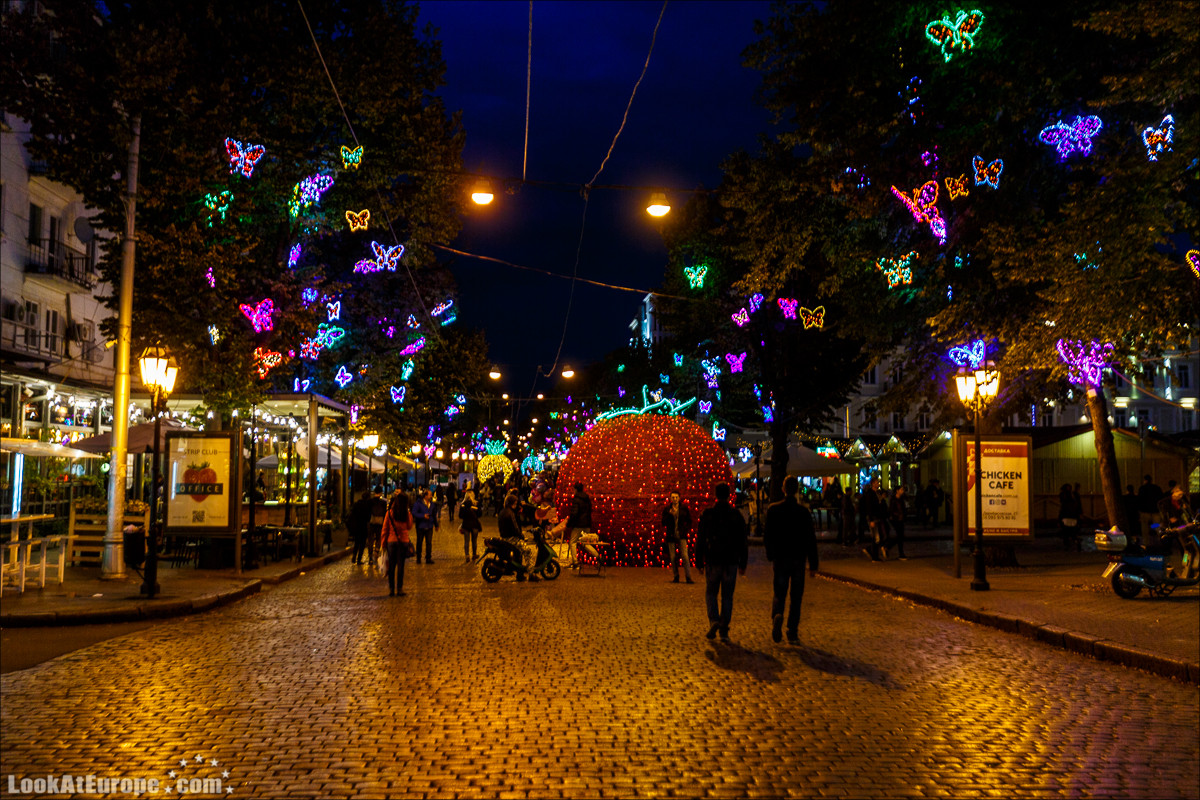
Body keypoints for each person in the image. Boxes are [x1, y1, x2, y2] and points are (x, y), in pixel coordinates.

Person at [764, 476, 819, 643]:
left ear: (783, 489)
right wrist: (813, 563)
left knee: (779, 592)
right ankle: (792, 630)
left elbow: (768, 535)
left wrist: (770, 554)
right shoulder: (803, 512)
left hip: (781, 558)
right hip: (798, 559)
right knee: (796, 596)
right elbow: (810, 538)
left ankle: (777, 614)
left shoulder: (773, 510)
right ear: (796, 490)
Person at [695, 482, 749, 642]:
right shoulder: (736, 515)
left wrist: (699, 561)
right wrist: (743, 563)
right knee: (727, 595)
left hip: (713, 559)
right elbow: (742, 540)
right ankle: (724, 628)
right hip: (731, 561)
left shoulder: (708, 514)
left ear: (715, 495)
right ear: (729, 495)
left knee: (711, 592)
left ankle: (714, 620)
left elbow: (701, 539)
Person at [380, 491, 412, 596]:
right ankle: (399, 589)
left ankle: (391, 589)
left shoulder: (389, 513)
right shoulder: (406, 513)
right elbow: (409, 526)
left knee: (392, 566)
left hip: (391, 542)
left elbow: (385, 529)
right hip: (403, 542)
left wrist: (383, 544)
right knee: (401, 566)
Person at [499, 493, 538, 581]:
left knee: (518, 553)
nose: (516, 505)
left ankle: (520, 574)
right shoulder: (510, 513)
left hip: (505, 537)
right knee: (528, 551)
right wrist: (522, 536)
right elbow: (515, 528)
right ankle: (531, 574)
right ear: (512, 503)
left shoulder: (503, 511)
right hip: (511, 538)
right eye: (515, 503)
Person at [660, 491, 695, 584]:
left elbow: (689, 520)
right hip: (671, 535)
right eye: (673, 497)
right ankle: (676, 576)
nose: (674, 499)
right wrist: (669, 515)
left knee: (685, 556)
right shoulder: (667, 509)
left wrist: (685, 530)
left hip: (681, 534)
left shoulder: (684, 508)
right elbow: (663, 522)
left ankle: (688, 577)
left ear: (679, 498)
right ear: (670, 498)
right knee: (673, 557)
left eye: (676, 497)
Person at [563, 482, 593, 568]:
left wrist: (569, 524)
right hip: (587, 523)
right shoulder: (587, 498)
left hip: (578, 525)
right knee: (586, 543)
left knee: (572, 542)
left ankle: (575, 561)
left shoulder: (576, 499)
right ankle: (598, 556)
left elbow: (574, 514)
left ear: (575, 489)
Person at [1138, 475, 1165, 544]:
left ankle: (1146, 543)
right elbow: (1161, 499)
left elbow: (1139, 500)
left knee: (1145, 529)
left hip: (1145, 512)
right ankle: (1161, 540)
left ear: (1145, 480)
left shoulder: (1142, 488)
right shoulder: (1157, 488)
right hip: (1155, 511)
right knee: (1157, 527)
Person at [348, 492, 373, 565]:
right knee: (362, 544)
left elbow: (352, 514)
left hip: (356, 526)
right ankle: (359, 559)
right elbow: (368, 518)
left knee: (356, 543)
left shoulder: (356, 504)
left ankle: (354, 556)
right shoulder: (367, 506)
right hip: (363, 526)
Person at [413, 488, 436, 564]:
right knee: (419, 542)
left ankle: (428, 558)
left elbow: (434, 515)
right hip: (420, 526)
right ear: (425, 496)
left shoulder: (432, 504)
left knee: (429, 543)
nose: (431, 496)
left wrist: (436, 524)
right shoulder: (418, 503)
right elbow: (414, 513)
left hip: (429, 526)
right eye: (430, 495)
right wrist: (423, 516)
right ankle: (418, 558)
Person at [1058, 483, 1083, 551]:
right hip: (1073, 517)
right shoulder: (1074, 498)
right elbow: (1079, 506)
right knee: (1073, 532)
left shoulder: (1064, 498)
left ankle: (1068, 544)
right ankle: (1075, 542)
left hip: (1066, 517)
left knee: (1066, 532)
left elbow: (1062, 508)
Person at [459, 493, 483, 562]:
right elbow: (479, 514)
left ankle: (467, 555)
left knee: (466, 541)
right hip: (475, 525)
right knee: (474, 541)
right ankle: (474, 554)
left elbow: (460, 516)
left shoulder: (463, 505)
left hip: (466, 525)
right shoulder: (476, 504)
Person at [888, 485, 909, 560]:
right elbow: (891, 510)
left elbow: (905, 508)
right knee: (900, 535)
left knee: (900, 536)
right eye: (901, 490)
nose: (902, 491)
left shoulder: (902, 499)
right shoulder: (893, 499)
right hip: (895, 519)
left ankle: (890, 548)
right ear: (897, 491)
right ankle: (900, 553)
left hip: (901, 519)